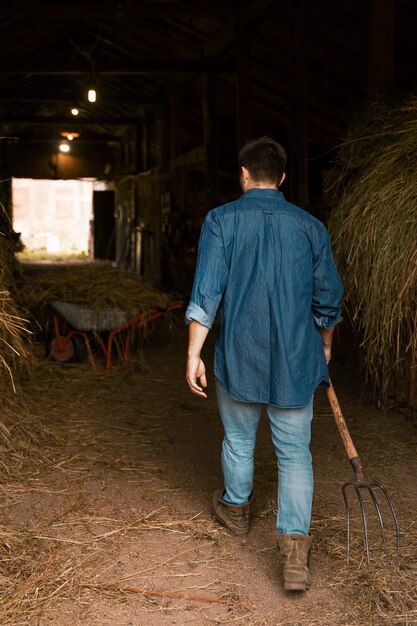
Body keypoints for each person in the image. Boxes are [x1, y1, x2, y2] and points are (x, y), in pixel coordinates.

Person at [185, 136, 343, 592]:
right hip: (296, 358)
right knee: (296, 454)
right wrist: (325, 343)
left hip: (239, 354)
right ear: (284, 178)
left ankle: (236, 510)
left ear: (244, 174)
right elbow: (328, 297)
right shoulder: (311, 227)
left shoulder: (221, 221)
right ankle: (295, 554)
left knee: (238, 438)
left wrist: (194, 352)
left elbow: (206, 293)